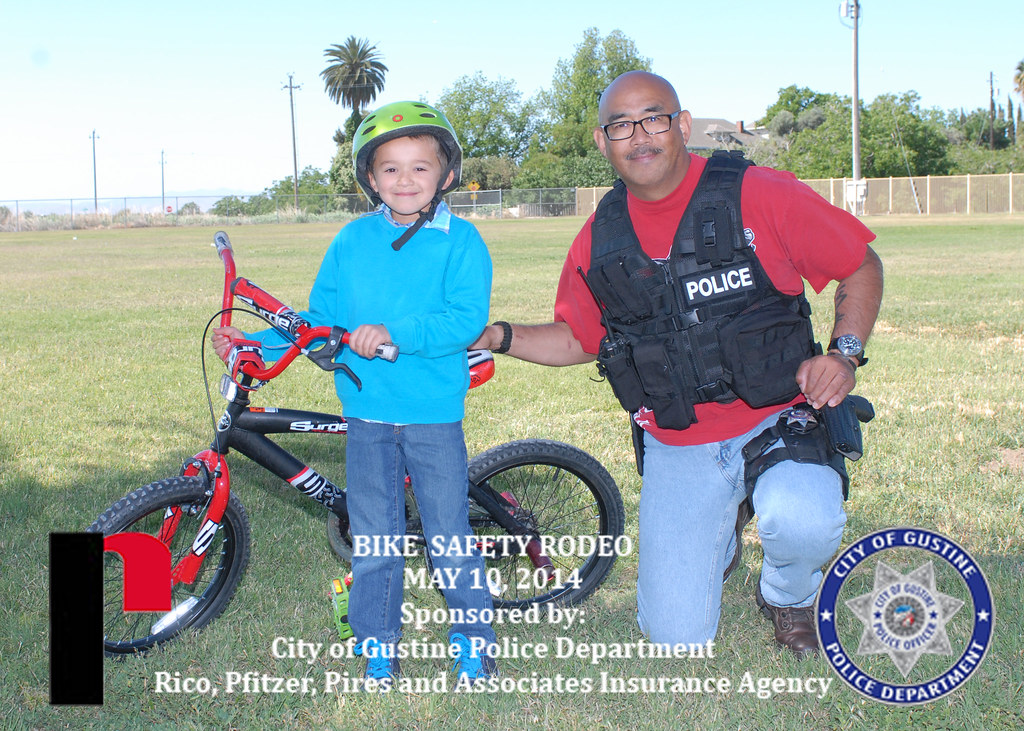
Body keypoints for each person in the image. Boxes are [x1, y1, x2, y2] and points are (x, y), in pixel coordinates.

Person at [473, 71, 883, 657]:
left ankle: (789, 593)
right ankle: (725, 521)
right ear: (602, 141)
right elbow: (578, 340)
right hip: (680, 438)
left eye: (654, 118)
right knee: (675, 638)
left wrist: (843, 354)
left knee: (803, 520)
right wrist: (498, 335)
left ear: (682, 125)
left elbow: (861, 265)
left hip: (778, 416)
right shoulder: (598, 238)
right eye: (621, 125)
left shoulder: (757, 192)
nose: (639, 135)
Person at [213, 101, 498, 686]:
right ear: (370, 178)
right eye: (390, 168)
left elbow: (465, 318)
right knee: (375, 538)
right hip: (367, 412)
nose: (405, 180)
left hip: (431, 415)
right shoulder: (351, 240)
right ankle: (378, 644)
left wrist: (397, 332)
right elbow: (319, 320)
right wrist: (256, 345)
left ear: (445, 174)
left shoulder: (462, 241)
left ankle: (474, 639)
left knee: (448, 533)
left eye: (421, 167)